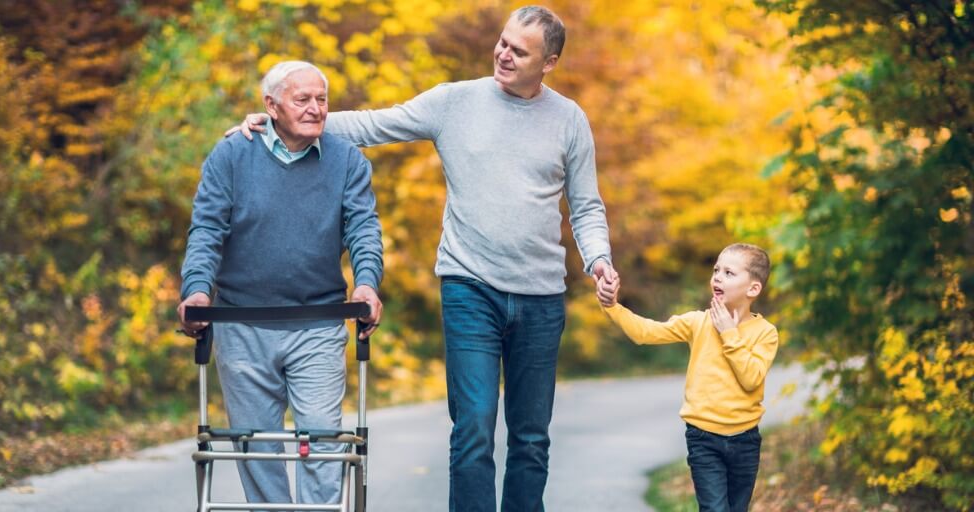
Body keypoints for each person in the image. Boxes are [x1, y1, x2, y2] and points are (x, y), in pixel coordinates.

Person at [229, 6, 615, 511]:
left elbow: (586, 206)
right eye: (503, 42)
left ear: (549, 63)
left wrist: (599, 261)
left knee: (530, 437)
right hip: (468, 286)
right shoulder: (454, 102)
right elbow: (373, 125)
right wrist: (283, 119)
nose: (503, 53)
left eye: (519, 51)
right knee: (474, 427)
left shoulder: (568, 119)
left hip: (541, 297)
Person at [178, 60, 384, 508]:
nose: (315, 108)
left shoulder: (347, 160)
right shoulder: (232, 155)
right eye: (302, 99)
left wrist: (367, 283)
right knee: (256, 448)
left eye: (322, 99)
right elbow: (207, 229)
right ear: (271, 106)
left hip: (319, 322)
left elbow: (363, 229)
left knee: (324, 443)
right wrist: (196, 289)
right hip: (242, 323)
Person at [595, 243, 779, 512]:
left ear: (752, 289)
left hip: (745, 441)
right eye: (716, 269)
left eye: (729, 273)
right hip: (703, 438)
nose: (717, 276)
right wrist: (612, 307)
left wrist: (729, 333)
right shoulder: (698, 322)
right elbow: (646, 332)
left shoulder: (766, 333)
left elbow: (751, 378)